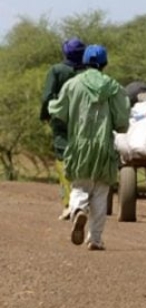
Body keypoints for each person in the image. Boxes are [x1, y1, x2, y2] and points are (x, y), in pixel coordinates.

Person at [48, 44, 130, 250]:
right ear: (105, 64)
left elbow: (58, 111)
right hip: (104, 146)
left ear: (84, 62)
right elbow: (122, 122)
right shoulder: (113, 87)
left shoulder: (73, 84)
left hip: (79, 144)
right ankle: (95, 239)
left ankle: (77, 211)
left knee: (80, 186)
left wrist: (51, 105)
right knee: (101, 192)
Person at [41, 37, 86, 219]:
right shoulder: (87, 72)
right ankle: (82, 201)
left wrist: (45, 115)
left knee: (63, 160)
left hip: (61, 121)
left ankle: (69, 203)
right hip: (84, 121)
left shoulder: (57, 71)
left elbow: (48, 97)